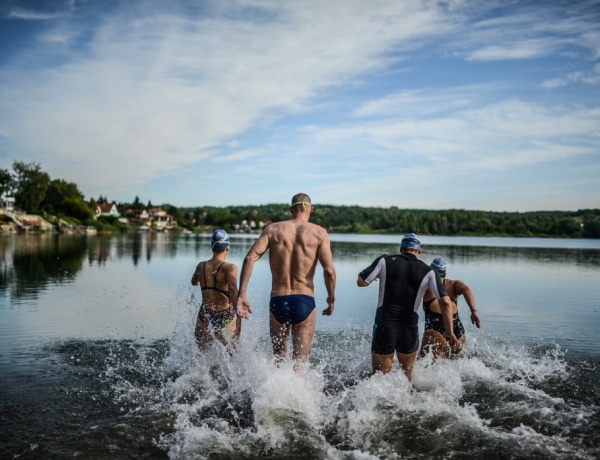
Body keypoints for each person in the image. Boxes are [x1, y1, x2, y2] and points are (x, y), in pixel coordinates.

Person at [236, 193, 336, 370]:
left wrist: (241, 294)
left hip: (278, 301)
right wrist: (331, 299)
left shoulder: (273, 230)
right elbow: (328, 271)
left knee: (279, 360)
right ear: (310, 209)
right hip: (304, 300)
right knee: (300, 363)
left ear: (291, 209)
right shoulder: (319, 232)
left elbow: (250, 258)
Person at [357, 233, 457, 381]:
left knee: (379, 378)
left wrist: (376, 275)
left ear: (401, 249)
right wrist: (449, 331)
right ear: (419, 252)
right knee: (408, 376)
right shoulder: (429, 271)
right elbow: (446, 302)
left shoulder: (385, 260)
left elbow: (361, 282)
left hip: (385, 325)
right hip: (409, 329)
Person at [420, 257, 481, 358]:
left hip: (435, 329)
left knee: (425, 363)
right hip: (457, 329)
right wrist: (473, 311)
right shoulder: (454, 285)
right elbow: (466, 289)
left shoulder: (428, 287)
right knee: (455, 363)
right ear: (445, 272)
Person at [191, 229, 241, 351]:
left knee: (201, 356)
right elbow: (233, 290)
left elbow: (194, 282)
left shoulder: (201, 266)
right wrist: (239, 310)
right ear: (227, 248)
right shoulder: (230, 268)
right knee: (231, 353)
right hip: (225, 315)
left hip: (205, 314)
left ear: (212, 247)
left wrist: (205, 282)